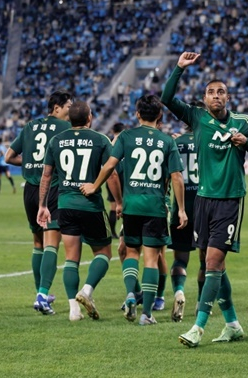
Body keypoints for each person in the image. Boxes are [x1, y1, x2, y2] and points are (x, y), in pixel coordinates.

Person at [161, 52, 248, 348]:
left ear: (228, 97)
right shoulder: (197, 119)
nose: (216, 96)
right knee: (215, 266)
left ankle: (198, 327)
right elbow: (167, 99)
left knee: (212, 261)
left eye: (220, 91)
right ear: (205, 99)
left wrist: (247, 142)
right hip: (203, 202)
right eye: (211, 92)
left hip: (230, 200)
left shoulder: (244, 122)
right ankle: (232, 324)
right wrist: (179, 69)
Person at [80, 94, 187, 326]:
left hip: (131, 206)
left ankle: (130, 294)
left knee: (130, 253)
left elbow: (110, 166)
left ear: (137, 114)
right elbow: (177, 177)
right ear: (159, 116)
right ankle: (146, 314)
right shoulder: (167, 141)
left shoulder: (126, 136)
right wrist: (181, 209)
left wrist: (94, 186)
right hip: (155, 206)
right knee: (151, 259)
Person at [37, 100, 122, 321]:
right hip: (91, 205)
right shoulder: (100, 139)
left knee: (71, 258)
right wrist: (119, 202)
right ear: (89, 118)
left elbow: (46, 175)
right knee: (103, 253)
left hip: (65, 205)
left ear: (69, 119)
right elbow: (111, 173)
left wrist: (43, 205)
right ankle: (87, 290)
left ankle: (73, 310)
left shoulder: (56, 141)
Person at [5, 89, 73, 314]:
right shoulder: (66, 128)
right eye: (68, 107)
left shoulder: (30, 126)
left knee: (37, 243)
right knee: (52, 241)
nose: (70, 111)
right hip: (51, 188)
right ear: (57, 108)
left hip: (30, 191)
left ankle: (40, 292)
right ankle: (42, 295)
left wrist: (29, 165)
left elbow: (8, 157)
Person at [167, 108, 205, 323]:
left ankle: (179, 292)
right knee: (206, 258)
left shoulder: (176, 142)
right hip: (205, 207)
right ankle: (201, 301)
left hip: (181, 207)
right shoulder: (207, 140)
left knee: (181, 258)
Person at [105, 122, 126, 239]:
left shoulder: (110, 143)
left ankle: (112, 232)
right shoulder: (126, 141)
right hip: (124, 176)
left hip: (111, 176)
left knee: (113, 206)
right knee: (127, 205)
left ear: (113, 131)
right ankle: (124, 232)